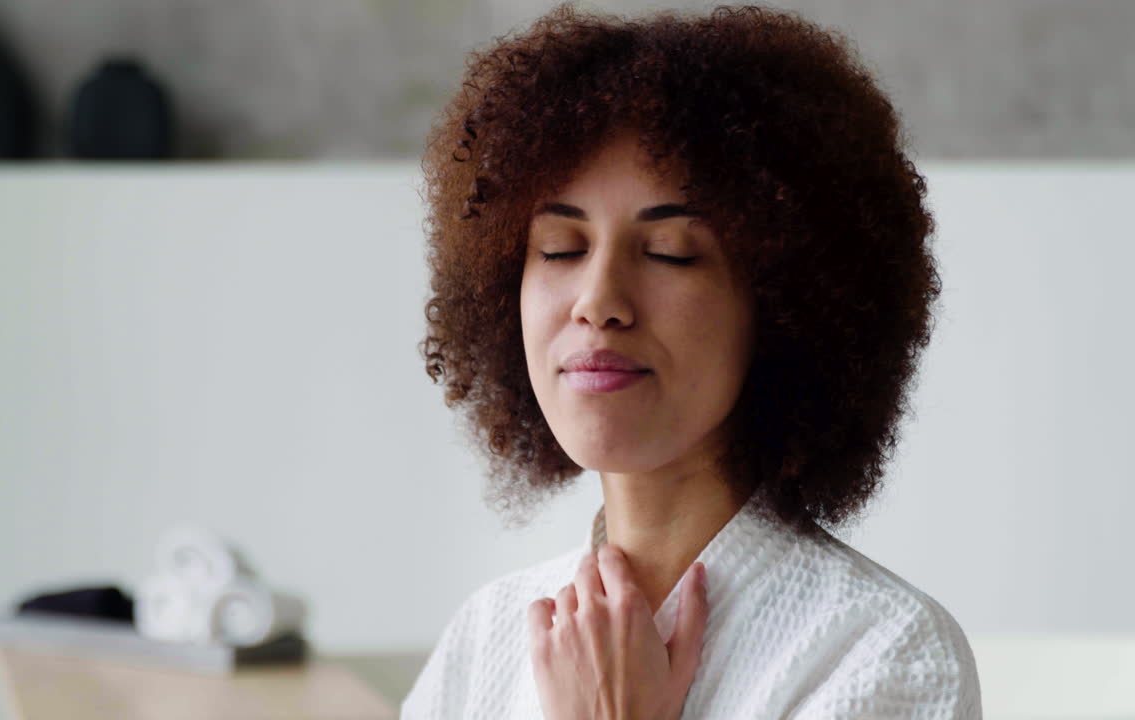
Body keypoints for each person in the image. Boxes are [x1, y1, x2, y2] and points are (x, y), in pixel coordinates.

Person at [403, 3, 982, 718]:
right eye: (560, 248)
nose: (598, 300)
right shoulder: (485, 637)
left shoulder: (883, 651)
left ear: (780, 300)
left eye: (670, 253)